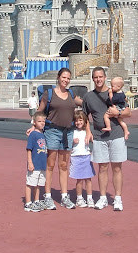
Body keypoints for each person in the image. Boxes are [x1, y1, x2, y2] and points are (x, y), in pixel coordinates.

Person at [82, 67, 131, 211]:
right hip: (99, 136)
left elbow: (128, 112)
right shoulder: (88, 97)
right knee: (102, 168)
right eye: (96, 77)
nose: (98, 79)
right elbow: (85, 116)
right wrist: (88, 131)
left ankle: (117, 198)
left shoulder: (115, 92)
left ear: (105, 77)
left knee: (116, 168)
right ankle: (103, 198)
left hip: (116, 134)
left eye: (101, 77)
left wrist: (118, 111)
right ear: (92, 79)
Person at [32, 67, 82, 210]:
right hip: (52, 131)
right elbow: (39, 112)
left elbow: (85, 103)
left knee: (64, 166)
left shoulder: (71, 94)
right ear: (58, 78)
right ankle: (47, 196)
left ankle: (64, 196)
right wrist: (33, 126)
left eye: (68, 78)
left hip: (68, 132)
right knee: (50, 165)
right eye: (63, 77)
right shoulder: (49, 94)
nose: (65, 80)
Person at [70, 111, 95, 208]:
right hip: (76, 157)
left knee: (88, 179)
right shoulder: (72, 132)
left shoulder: (87, 132)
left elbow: (93, 140)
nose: (78, 122)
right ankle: (79, 198)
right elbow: (67, 143)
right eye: (76, 121)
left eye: (80, 120)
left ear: (85, 121)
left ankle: (89, 198)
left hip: (86, 157)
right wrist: (73, 141)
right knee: (79, 180)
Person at [25, 113, 48, 212]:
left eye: (43, 121)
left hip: (42, 165)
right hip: (34, 164)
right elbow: (29, 149)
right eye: (39, 121)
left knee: (38, 184)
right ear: (34, 122)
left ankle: (36, 200)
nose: (42, 123)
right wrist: (30, 162)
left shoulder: (42, 135)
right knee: (30, 183)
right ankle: (28, 203)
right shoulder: (33, 135)